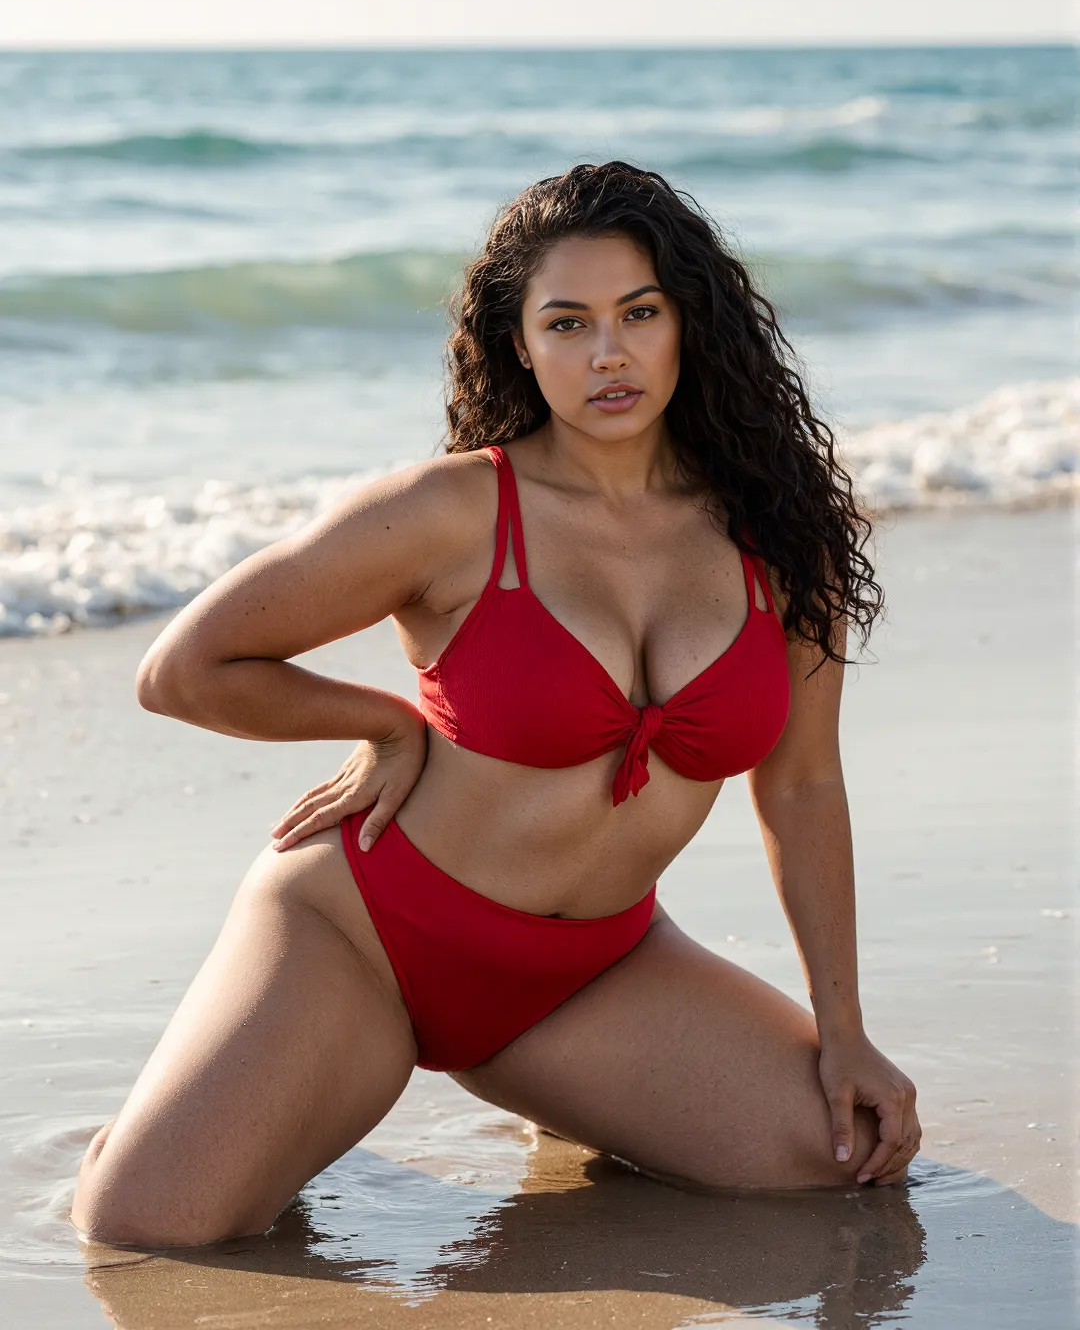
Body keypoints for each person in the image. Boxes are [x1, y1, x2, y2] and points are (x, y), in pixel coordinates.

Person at [71, 161, 920, 1249]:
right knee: (150, 1229)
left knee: (845, 1163)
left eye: (639, 313)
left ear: (688, 326)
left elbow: (801, 786)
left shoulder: (783, 537)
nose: (607, 352)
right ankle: (215, 1100)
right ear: (521, 343)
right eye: (567, 322)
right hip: (366, 936)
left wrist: (845, 1032)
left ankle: (553, 1105)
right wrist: (385, 722)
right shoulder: (454, 511)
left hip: (590, 979)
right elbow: (184, 667)